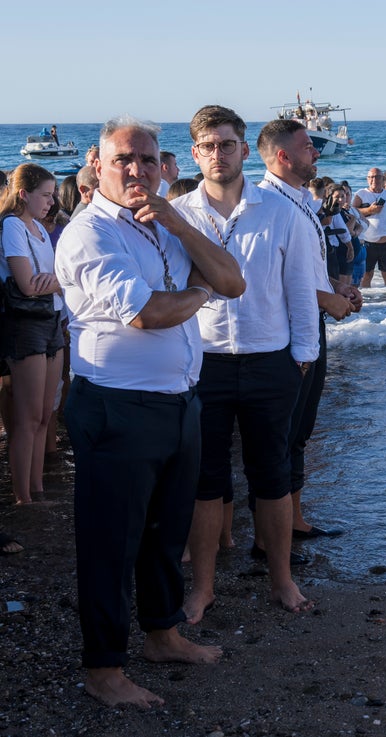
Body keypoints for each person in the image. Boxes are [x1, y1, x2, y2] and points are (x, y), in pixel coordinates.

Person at [55, 115, 245, 707]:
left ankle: (162, 635)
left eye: (146, 160)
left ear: (164, 164)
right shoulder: (90, 234)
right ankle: (103, 669)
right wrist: (197, 295)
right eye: (122, 160)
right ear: (98, 165)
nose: (136, 171)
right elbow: (148, 313)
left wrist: (175, 222)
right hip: (116, 407)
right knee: (111, 543)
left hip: (176, 403)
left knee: (166, 534)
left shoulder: (163, 221)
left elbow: (232, 280)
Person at [172, 106, 320, 624]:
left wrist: (302, 358)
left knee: (272, 476)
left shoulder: (279, 212)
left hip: (269, 361)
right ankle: (203, 588)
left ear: (241, 149)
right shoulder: (181, 214)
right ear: (195, 153)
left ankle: (282, 580)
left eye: (227, 144)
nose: (218, 154)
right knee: (205, 480)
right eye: (208, 146)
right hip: (202, 363)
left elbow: (300, 289)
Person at [256, 119, 361, 548]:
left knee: (300, 431)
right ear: (283, 156)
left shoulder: (299, 201)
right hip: (283, 334)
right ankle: (267, 538)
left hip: (307, 327)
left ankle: (294, 520)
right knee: (279, 438)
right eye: (308, 147)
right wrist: (327, 300)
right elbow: (272, 279)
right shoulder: (267, 204)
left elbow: (305, 269)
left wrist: (336, 288)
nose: (316, 153)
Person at [0, 164, 65, 505]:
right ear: (23, 194)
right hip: (25, 327)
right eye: (45, 195)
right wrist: (59, 281)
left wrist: (56, 281)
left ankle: (37, 489)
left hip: (51, 321)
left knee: (43, 415)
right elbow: (27, 285)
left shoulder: (38, 228)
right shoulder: (12, 226)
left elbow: (55, 280)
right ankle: (22, 496)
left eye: (53, 194)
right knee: (26, 419)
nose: (51, 201)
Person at [353, 168, 386, 287]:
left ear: (383, 179)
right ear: (367, 179)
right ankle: (368, 302)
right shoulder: (361, 194)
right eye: (371, 177)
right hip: (368, 242)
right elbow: (352, 211)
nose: (374, 179)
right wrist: (369, 210)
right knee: (367, 275)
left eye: (377, 177)